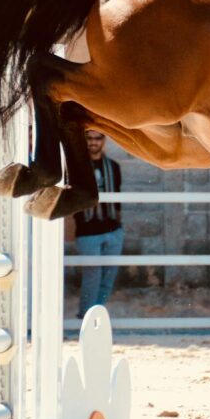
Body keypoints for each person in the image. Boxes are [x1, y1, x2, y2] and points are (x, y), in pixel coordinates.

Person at [73, 130, 124, 318]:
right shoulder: (74, 168)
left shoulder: (114, 167)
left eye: (98, 138)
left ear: (104, 140)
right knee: (92, 276)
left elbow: (117, 201)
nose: (94, 142)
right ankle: (85, 317)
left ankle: (97, 316)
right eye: (89, 138)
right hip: (88, 232)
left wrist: (119, 226)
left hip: (112, 230)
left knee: (108, 277)